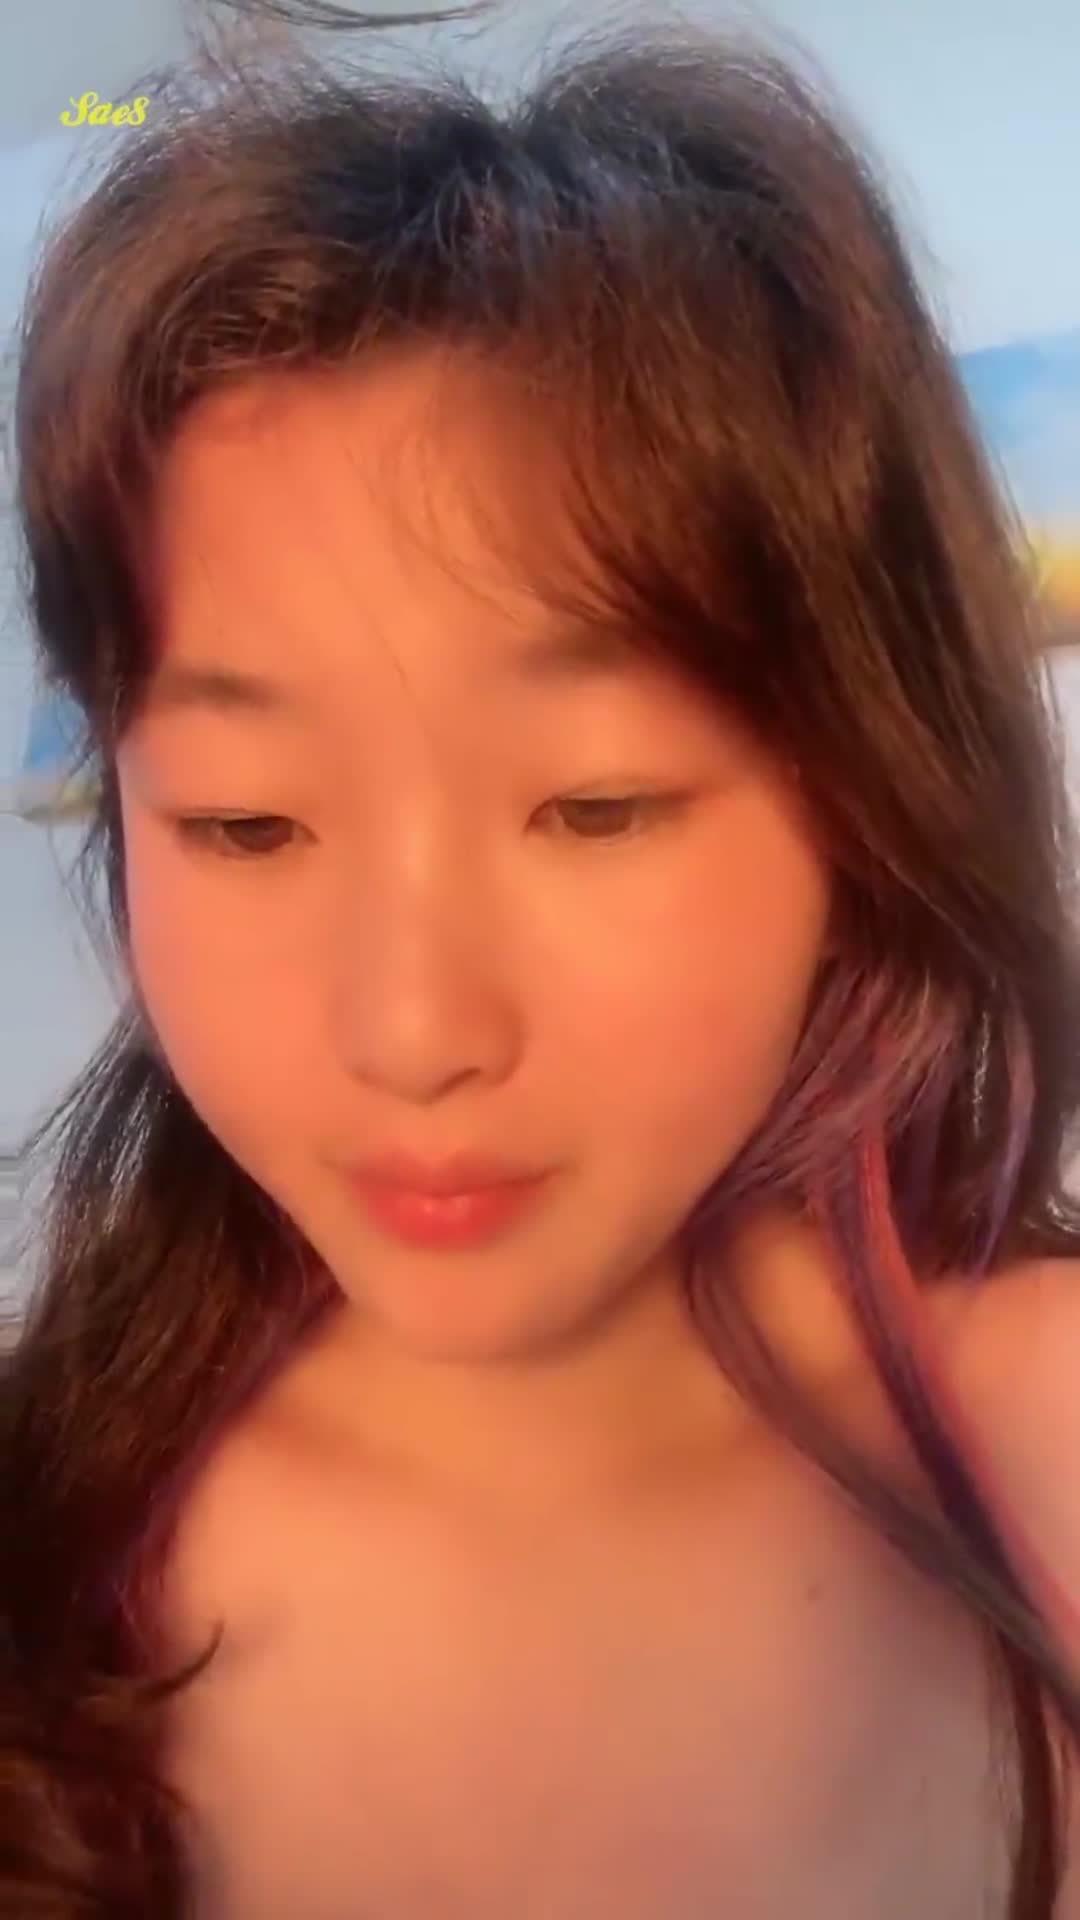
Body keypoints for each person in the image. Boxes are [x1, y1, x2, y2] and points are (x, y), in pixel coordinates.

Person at [4, 7, 1080, 1916]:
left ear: (865, 794)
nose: (411, 1032)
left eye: (597, 806)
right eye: (245, 824)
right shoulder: (50, 1534)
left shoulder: (1041, 1442)